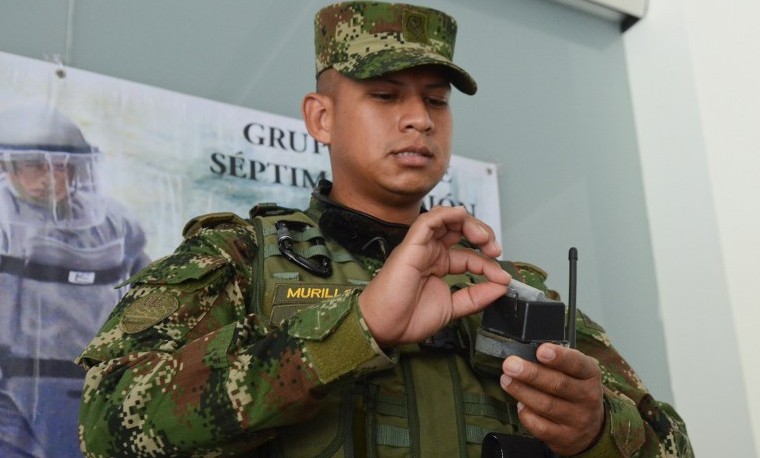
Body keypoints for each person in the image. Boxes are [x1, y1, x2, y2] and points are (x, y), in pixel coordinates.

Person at [76, 2, 693, 457]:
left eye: (436, 100)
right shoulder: (236, 259)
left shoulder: (509, 290)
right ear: (321, 117)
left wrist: (597, 431)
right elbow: (105, 424)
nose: (418, 120)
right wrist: (354, 332)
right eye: (384, 95)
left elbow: (673, 445)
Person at [0, 103, 150, 457]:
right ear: (8, 166)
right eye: (35, 165)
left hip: (94, 393)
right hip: (8, 394)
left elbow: (147, 296)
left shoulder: (115, 225)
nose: (50, 177)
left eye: (62, 166)